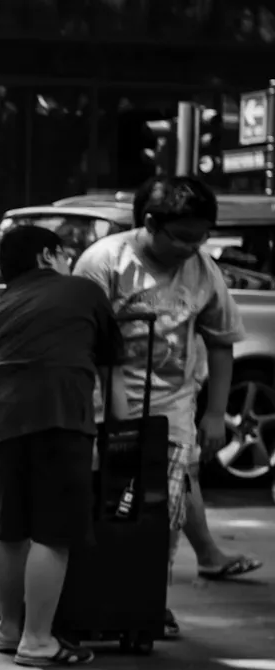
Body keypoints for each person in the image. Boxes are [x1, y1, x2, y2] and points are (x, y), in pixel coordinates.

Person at [75, 176, 248, 638]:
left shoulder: (203, 270)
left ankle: (146, 597)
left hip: (171, 411)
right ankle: (106, 595)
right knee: (108, 507)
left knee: (161, 509)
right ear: (149, 223)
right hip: (101, 407)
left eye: (202, 238)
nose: (193, 248)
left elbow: (221, 342)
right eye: (183, 237)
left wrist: (214, 414)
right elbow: (81, 338)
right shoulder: (104, 262)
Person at [0, 225, 121, 667]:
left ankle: (9, 628)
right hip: (58, 414)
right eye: (63, 253)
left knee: (10, 527)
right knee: (54, 533)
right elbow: (111, 371)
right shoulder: (82, 291)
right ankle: (38, 640)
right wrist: (121, 431)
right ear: (46, 256)